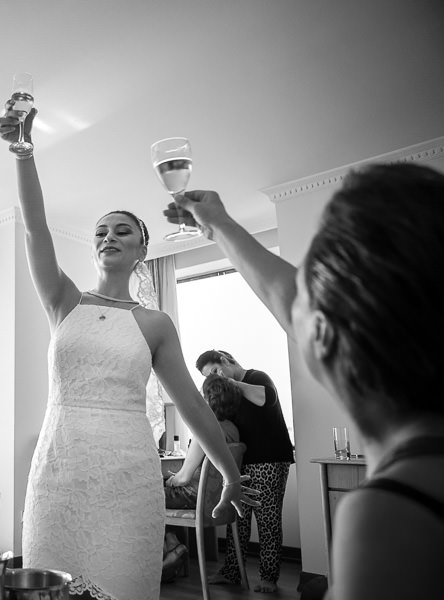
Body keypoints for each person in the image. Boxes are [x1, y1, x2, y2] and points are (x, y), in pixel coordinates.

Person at [0, 107, 256, 600]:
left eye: (120, 231)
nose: (107, 237)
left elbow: (195, 406)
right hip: (59, 470)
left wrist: (229, 475)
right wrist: (25, 152)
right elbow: (34, 229)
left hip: (128, 475)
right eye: (100, 232)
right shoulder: (64, 301)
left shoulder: (154, 324)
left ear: (141, 251)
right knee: (49, 588)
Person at [165, 162, 444, 600]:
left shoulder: (392, 515)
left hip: (275, 460)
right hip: (252, 462)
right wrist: (218, 225)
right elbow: (290, 296)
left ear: (323, 335)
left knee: (271, 523)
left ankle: (269, 580)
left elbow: (290, 307)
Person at [194, 349, 293, 593]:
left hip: (270, 461)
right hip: (243, 462)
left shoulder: (257, 377)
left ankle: (268, 577)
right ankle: (232, 571)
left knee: (268, 520)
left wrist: (229, 381)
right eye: (210, 377)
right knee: (236, 519)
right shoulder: (228, 392)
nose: (216, 377)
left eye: (216, 371)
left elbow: (263, 399)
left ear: (225, 360)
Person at [162, 374, 244, 582]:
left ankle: (170, 547)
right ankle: (170, 544)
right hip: (213, 498)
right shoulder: (233, 429)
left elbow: (182, 478)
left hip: (193, 496)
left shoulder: (204, 430)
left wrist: (169, 481)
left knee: (143, 493)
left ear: (208, 399)